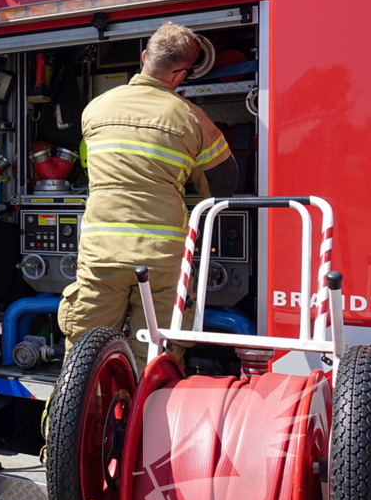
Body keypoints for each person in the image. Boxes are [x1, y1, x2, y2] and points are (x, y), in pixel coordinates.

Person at [58, 22, 239, 369]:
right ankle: (147, 422)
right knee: (156, 358)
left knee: (84, 359)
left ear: (144, 57)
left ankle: (68, 423)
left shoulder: (95, 109)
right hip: (160, 260)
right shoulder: (190, 118)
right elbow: (223, 185)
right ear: (181, 74)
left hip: (100, 255)